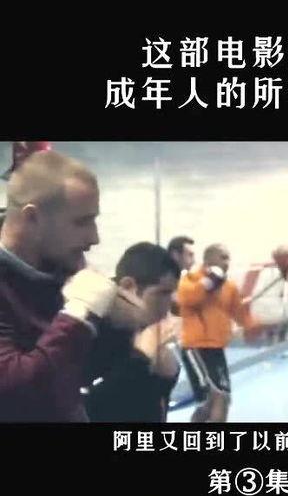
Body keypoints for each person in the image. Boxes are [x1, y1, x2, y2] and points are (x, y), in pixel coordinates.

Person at [0, 149, 120, 422]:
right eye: (81, 222)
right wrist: (78, 315)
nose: (94, 238)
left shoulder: (60, 271)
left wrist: (126, 324)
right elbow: (13, 394)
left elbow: (78, 376)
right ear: (32, 218)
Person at [84, 243, 181, 423]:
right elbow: (88, 408)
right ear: (128, 286)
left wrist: (167, 379)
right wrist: (141, 358)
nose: (171, 303)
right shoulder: (89, 332)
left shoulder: (141, 329)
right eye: (163, 293)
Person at [176, 243, 263, 423]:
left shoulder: (229, 286)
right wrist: (209, 283)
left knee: (220, 399)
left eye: (228, 258)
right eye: (223, 257)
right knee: (213, 399)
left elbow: (239, 312)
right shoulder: (191, 279)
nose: (227, 262)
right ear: (209, 259)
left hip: (216, 349)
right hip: (195, 348)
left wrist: (252, 326)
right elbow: (187, 298)